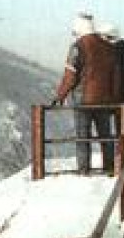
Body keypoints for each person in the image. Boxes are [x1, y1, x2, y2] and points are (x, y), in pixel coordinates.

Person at [51, 11, 119, 175]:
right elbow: (115, 77)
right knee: (105, 136)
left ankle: (84, 170)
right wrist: (114, 99)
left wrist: (59, 96)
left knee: (83, 137)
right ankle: (109, 168)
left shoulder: (78, 47)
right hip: (104, 100)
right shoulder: (108, 47)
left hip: (83, 100)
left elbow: (70, 76)